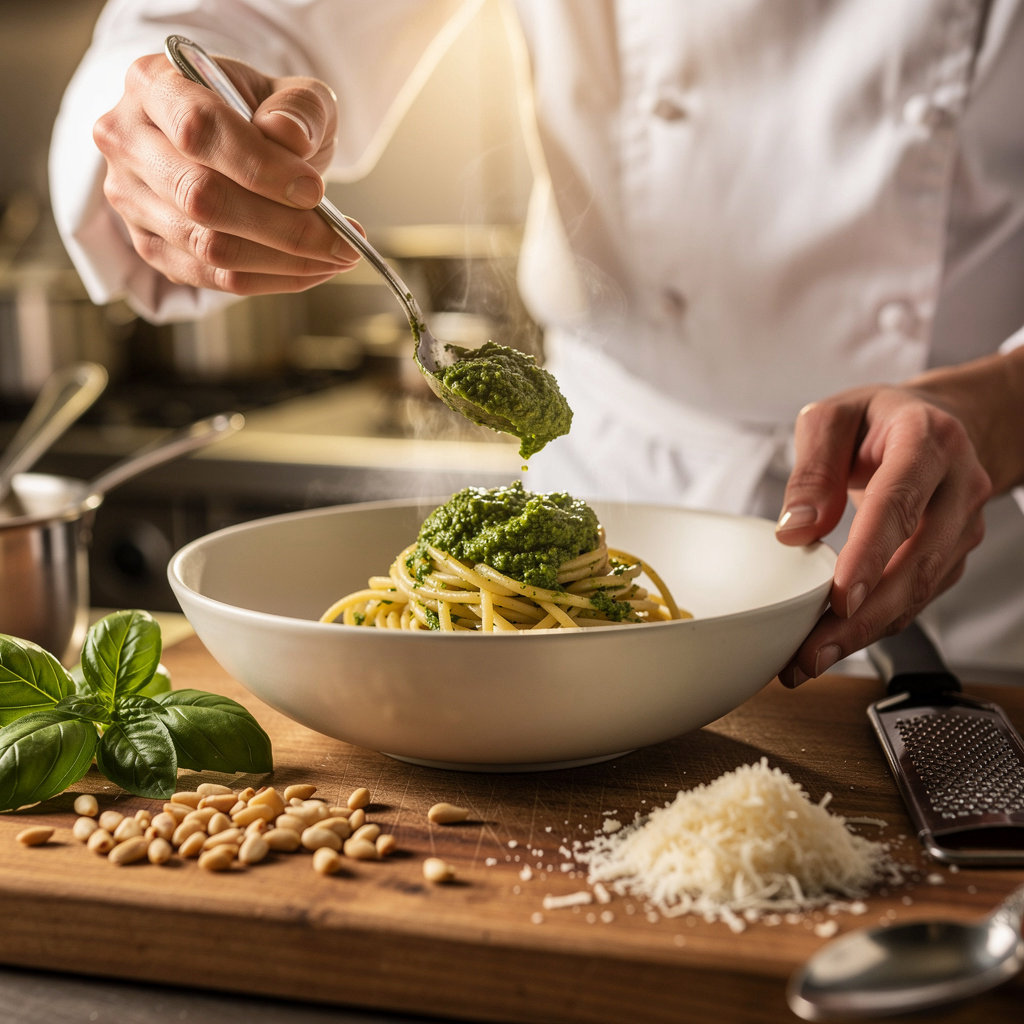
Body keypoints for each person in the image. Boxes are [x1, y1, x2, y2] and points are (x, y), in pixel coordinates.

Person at [50, 0, 1024, 683]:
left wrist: (1003, 403)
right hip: (623, 482)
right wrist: (170, 137)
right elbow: (232, 17)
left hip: (981, 547)